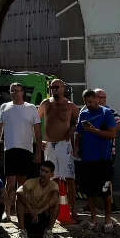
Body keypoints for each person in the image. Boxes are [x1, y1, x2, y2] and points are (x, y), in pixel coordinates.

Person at [0, 83, 41, 222]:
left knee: (23, 184)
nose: (14, 93)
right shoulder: (4, 107)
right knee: (10, 183)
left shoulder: (31, 108)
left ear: (22, 92)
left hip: (26, 150)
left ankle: (21, 212)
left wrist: (38, 152)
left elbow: (37, 132)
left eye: (17, 90)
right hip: (10, 149)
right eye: (12, 91)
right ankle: (6, 213)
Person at [73, 89, 119, 232]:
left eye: (91, 101)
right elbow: (79, 132)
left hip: (102, 159)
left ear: (97, 99)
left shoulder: (106, 113)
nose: (89, 104)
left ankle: (107, 218)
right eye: (86, 102)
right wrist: (76, 146)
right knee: (89, 191)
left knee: (105, 191)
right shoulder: (84, 113)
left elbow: (112, 134)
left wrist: (95, 131)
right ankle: (93, 218)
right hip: (87, 159)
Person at [38, 78, 80, 223]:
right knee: (52, 178)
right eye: (52, 87)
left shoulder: (69, 105)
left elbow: (81, 120)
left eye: (57, 87)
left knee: (69, 178)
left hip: (64, 145)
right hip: (49, 145)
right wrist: (39, 141)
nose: (54, 90)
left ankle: (73, 210)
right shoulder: (45, 103)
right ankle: (53, 210)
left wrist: (73, 129)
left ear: (63, 88)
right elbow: (36, 121)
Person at [14, 161, 60, 238]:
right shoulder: (32, 182)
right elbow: (19, 192)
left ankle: (49, 232)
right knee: (19, 198)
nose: (43, 173)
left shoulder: (53, 185)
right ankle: (22, 231)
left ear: (52, 175)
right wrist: (31, 210)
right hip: (29, 216)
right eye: (42, 170)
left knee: (56, 202)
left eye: (46, 172)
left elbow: (55, 197)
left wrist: (39, 211)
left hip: (43, 217)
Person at [95, 88, 120, 164]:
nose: (102, 100)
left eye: (104, 97)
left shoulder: (111, 112)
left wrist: (108, 124)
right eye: (99, 97)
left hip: (109, 151)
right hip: (92, 149)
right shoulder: (87, 112)